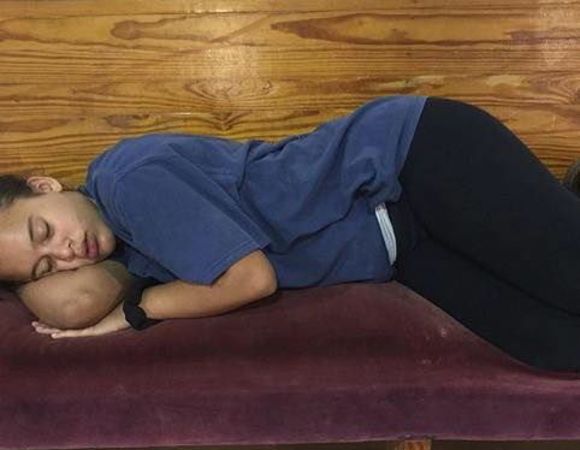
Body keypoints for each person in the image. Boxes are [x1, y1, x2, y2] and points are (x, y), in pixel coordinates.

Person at [1, 94, 579, 373]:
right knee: (558, 348)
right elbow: (69, 304)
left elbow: (251, 279)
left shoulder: (127, 183)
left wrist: (135, 312)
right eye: (46, 265)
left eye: (42, 229)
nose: (65, 252)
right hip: (404, 240)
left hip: (412, 161)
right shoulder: (128, 250)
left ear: (44, 184)